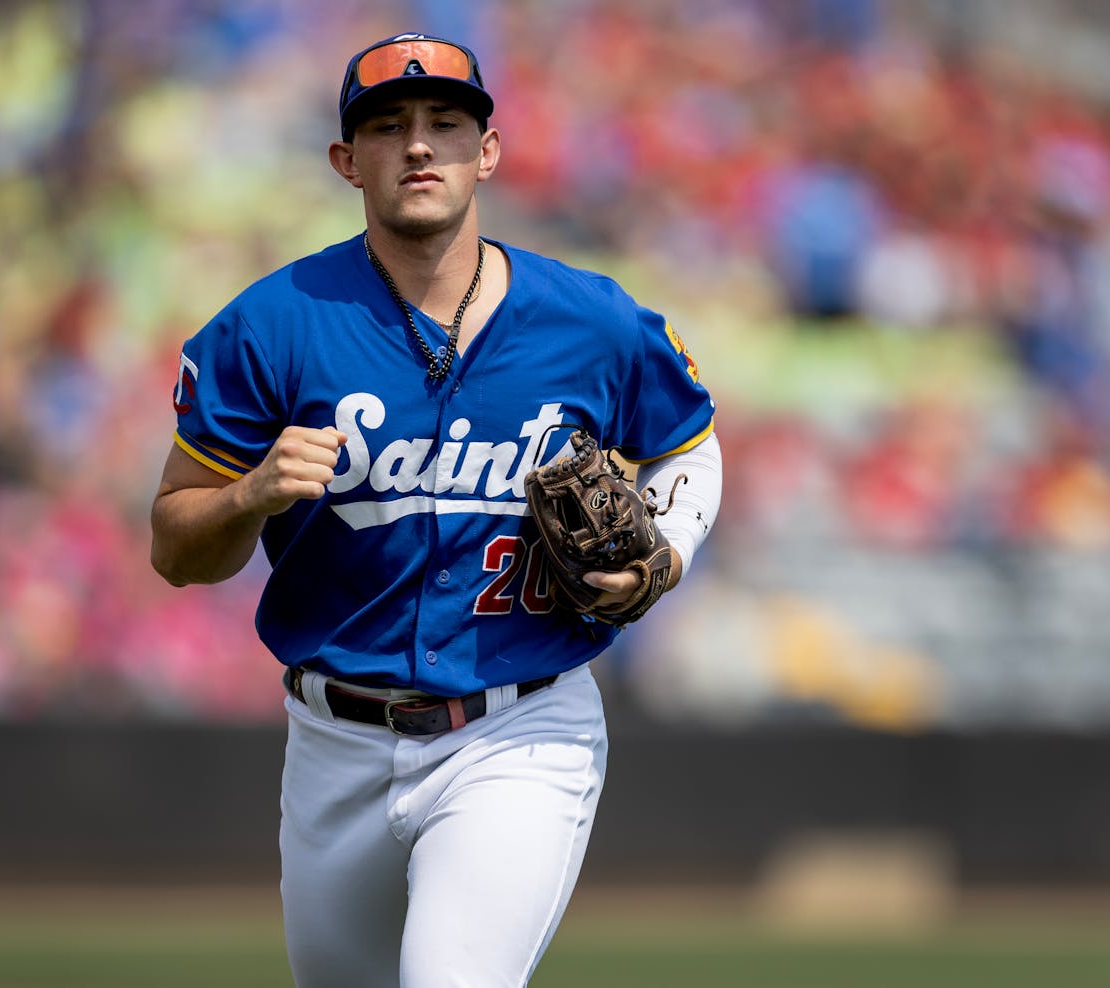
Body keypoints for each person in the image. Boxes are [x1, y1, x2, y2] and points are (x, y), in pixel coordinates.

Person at [149, 32, 722, 987]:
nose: (419, 145)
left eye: (446, 123)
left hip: (521, 726)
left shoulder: (593, 319)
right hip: (334, 742)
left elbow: (689, 442)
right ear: (347, 160)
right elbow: (177, 551)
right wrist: (250, 494)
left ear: (487, 151)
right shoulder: (271, 325)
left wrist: (666, 549)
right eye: (388, 127)